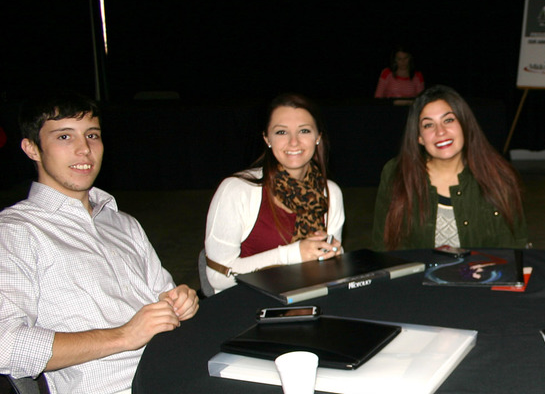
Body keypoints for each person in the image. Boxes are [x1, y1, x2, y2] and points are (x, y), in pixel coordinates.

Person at [0, 91, 199, 394]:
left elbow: (163, 296)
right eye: (63, 136)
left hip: (171, 385)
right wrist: (124, 336)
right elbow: (5, 344)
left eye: (92, 135)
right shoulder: (16, 232)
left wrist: (180, 302)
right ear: (31, 148)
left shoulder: (121, 222)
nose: (83, 150)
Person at [204, 93, 344, 294]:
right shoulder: (237, 190)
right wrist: (292, 255)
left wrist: (335, 257)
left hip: (306, 302)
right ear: (266, 138)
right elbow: (218, 278)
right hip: (246, 306)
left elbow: (328, 275)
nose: (293, 142)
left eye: (304, 130)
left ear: (318, 137)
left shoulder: (330, 193)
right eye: (281, 132)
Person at [372, 85, 528, 250]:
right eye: (428, 125)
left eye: (448, 120)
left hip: (487, 275)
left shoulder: (499, 175)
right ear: (419, 137)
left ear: (464, 124)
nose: (441, 132)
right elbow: (383, 245)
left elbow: (516, 247)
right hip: (418, 276)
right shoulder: (397, 173)